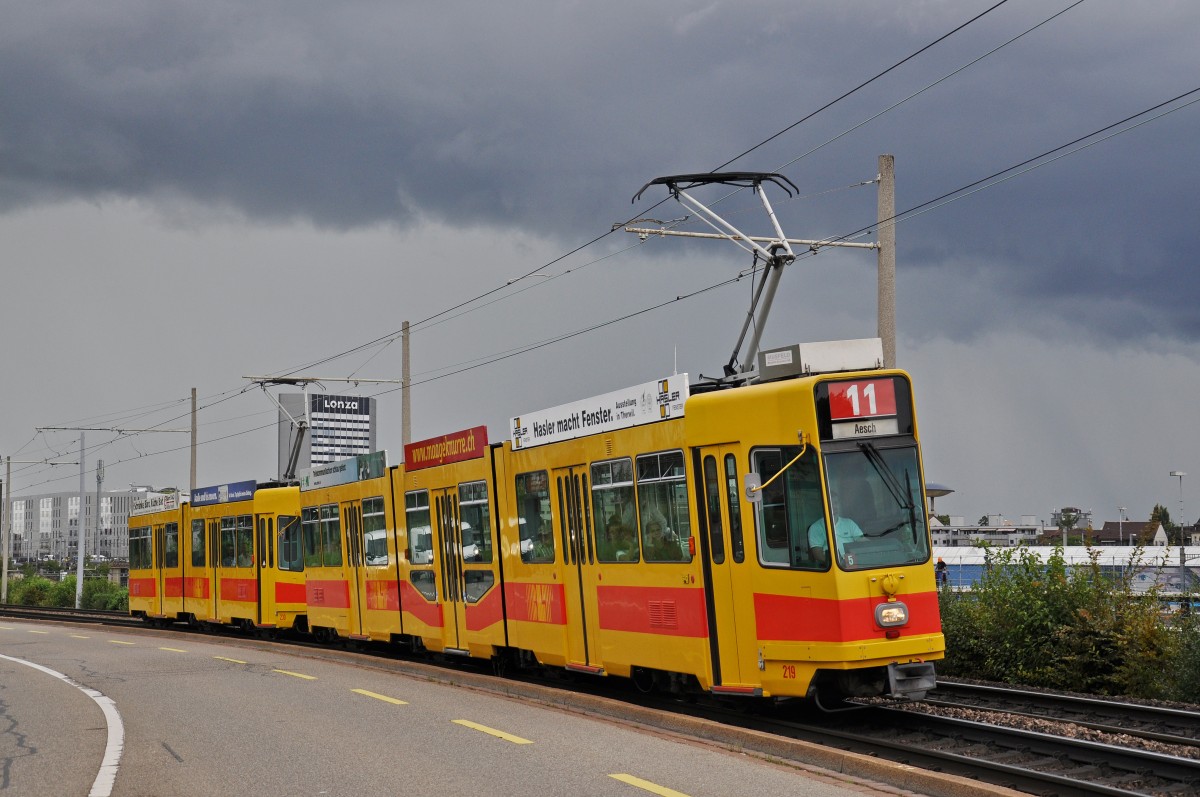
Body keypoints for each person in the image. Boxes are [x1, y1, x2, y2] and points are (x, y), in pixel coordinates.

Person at [807, 484, 864, 566]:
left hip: (854, 564)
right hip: (831, 567)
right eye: (830, 503)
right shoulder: (815, 527)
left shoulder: (849, 523)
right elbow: (817, 554)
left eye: (836, 503)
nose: (834, 506)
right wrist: (838, 564)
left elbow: (863, 542)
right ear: (824, 506)